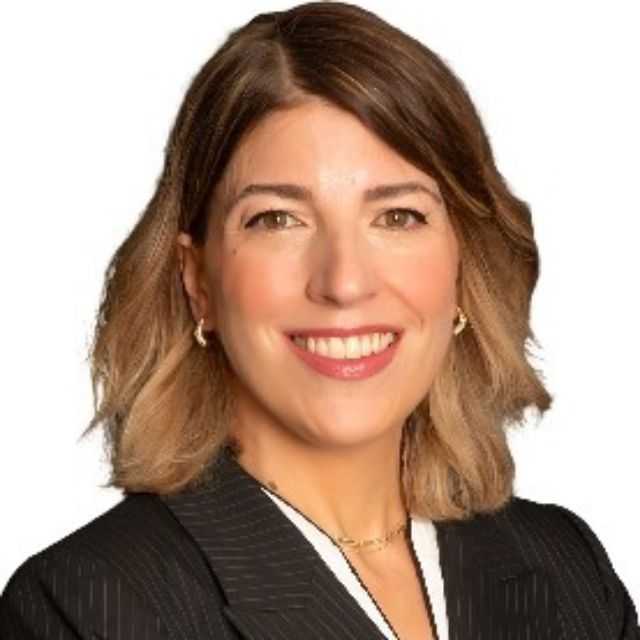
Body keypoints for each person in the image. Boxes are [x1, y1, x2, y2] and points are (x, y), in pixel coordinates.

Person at [1, 2, 638, 639]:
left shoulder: (568, 568)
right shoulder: (88, 606)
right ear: (199, 282)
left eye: (398, 217)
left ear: (463, 267)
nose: (344, 282)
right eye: (278, 219)